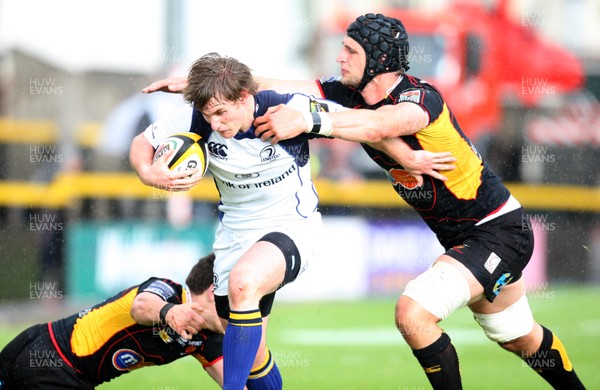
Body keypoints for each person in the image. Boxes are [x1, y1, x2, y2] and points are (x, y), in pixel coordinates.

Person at [143, 13, 586, 390]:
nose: (340, 58)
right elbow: (273, 83)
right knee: (518, 337)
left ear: (378, 60)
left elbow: (376, 126)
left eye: (350, 51)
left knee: (412, 314)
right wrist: (201, 88)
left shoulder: (420, 100)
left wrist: (308, 119)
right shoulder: (348, 94)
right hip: (461, 239)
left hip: (495, 230)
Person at [130, 52, 359, 390]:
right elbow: (142, 143)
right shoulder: (197, 120)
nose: (217, 124)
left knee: (243, 282)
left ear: (244, 97)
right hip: (235, 235)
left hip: (292, 225)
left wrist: (408, 156)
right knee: (250, 351)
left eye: (222, 113)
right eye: (210, 116)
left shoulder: (288, 108)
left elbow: (359, 121)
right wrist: (151, 174)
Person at [0, 253, 226, 389]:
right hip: (53, 358)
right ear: (213, 291)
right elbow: (141, 306)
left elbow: (234, 384)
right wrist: (169, 312)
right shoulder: (168, 290)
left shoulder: (207, 337)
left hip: (60, 367)